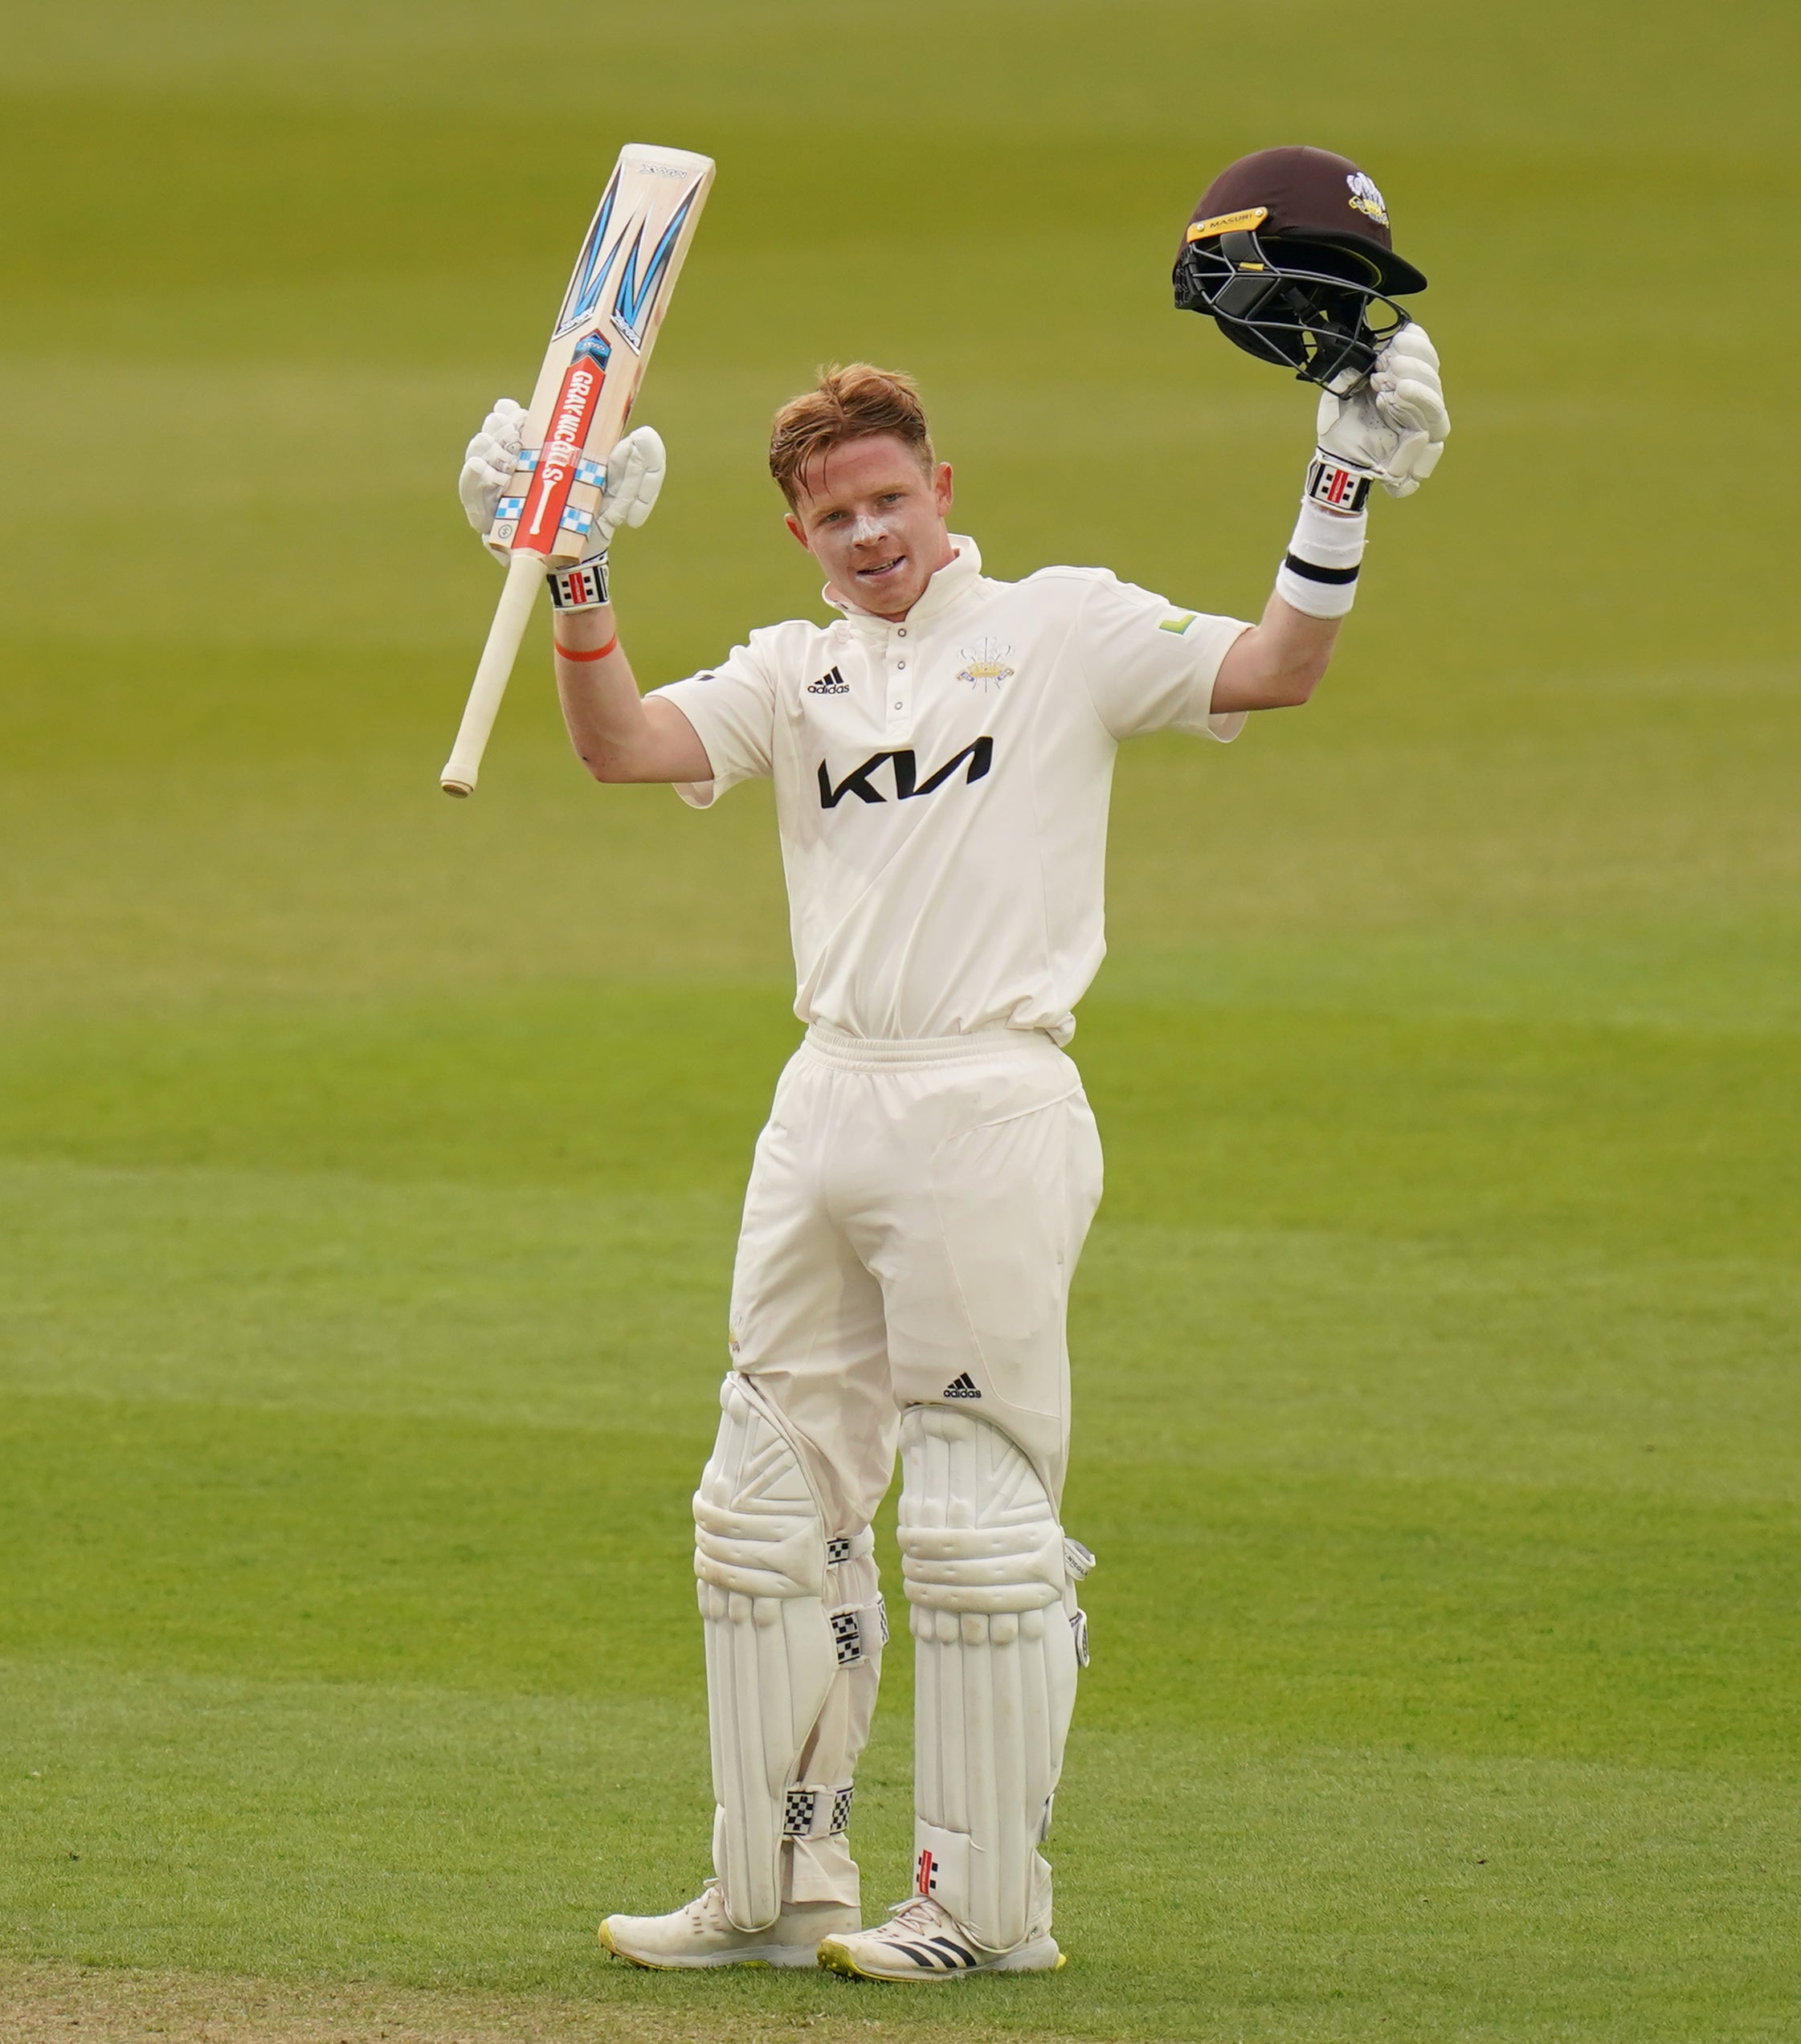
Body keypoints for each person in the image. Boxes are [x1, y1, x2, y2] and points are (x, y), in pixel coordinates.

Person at [457, 312, 1446, 1982]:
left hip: (989, 1098)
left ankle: (986, 1910)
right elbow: (621, 744)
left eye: (888, 501)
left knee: (974, 1525)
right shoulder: (792, 670)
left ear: (940, 489)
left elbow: (1274, 666)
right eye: (834, 516)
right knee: (761, 1506)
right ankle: (775, 1883)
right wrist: (575, 565)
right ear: (797, 531)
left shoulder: (1062, 625)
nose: (869, 536)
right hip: (823, 1095)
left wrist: (1337, 486)